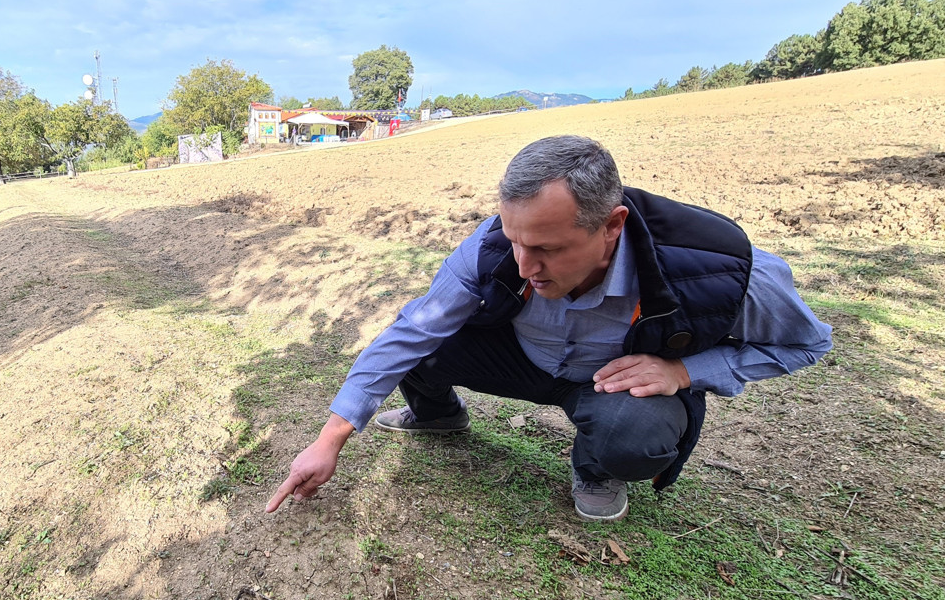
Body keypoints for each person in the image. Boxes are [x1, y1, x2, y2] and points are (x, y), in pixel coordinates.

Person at [265, 135, 832, 522]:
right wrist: (330, 438)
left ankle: (594, 468)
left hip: (609, 383)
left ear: (612, 226)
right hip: (520, 359)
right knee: (423, 341)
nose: (524, 266)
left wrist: (685, 370)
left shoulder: (718, 267)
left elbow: (809, 344)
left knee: (634, 434)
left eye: (547, 249)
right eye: (515, 241)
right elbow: (410, 332)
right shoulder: (493, 251)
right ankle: (438, 414)